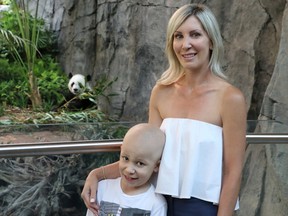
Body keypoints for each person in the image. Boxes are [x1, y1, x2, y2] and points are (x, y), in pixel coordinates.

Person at [82, 3, 247, 216]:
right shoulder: (162, 91)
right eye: (178, 36)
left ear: (212, 41)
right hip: (156, 205)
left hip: (206, 209)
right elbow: (144, 157)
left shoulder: (230, 98)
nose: (186, 44)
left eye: (195, 34)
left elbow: (233, 171)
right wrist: (97, 174)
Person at [85, 123, 167, 216]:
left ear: (156, 166)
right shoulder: (102, 189)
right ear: (121, 151)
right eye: (125, 158)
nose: (129, 170)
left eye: (140, 163)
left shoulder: (156, 204)